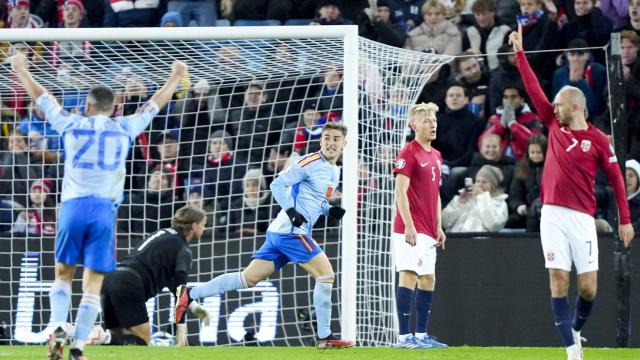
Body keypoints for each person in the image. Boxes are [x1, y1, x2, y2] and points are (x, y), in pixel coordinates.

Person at [10, 52, 187, 360]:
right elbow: (155, 104)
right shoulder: (125, 126)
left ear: (88, 106)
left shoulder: (71, 122)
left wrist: (21, 69)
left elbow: (41, 96)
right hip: (104, 211)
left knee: (63, 274)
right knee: (93, 284)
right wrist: (175, 76)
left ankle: (56, 328)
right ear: (115, 107)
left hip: (73, 207)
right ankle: (78, 347)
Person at [510, 25, 634, 360]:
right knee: (559, 281)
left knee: (589, 288)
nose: (553, 105)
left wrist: (624, 219)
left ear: (575, 107)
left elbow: (617, 179)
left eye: (560, 103)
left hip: (583, 218)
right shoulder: (552, 123)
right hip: (551, 213)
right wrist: (521, 54)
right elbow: (534, 89)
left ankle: (577, 329)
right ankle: (571, 351)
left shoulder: (598, 140)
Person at [173, 123, 354, 349]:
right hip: (291, 231)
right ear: (320, 140)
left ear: (344, 144)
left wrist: (329, 209)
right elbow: (277, 183)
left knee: (247, 279)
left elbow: (314, 198)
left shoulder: (334, 170)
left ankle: (190, 294)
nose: (330, 142)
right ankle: (325, 336)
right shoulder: (309, 162)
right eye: (327, 137)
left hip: (282, 232)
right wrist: (291, 211)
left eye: (336, 139)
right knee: (326, 275)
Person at [88, 206, 210, 346]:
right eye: (203, 224)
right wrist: (181, 331)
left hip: (111, 279)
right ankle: (103, 337)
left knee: (119, 338)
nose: (204, 228)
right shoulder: (184, 250)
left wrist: (193, 306)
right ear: (194, 225)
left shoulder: (163, 233)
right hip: (129, 284)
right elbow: (180, 293)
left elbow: (173, 284)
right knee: (143, 342)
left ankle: (102, 337)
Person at [392, 102, 447, 349]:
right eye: (426, 121)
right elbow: (400, 192)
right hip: (409, 228)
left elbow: (435, 193)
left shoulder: (436, 155)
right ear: (413, 125)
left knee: (428, 279)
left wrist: (439, 225)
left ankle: (422, 335)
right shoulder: (408, 153)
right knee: (409, 274)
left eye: (433, 120)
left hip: (428, 228)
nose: (432, 124)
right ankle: (404, 338)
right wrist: (409, 226)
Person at [442, 164, 509, 232]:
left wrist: (482, 196)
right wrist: (459, 203)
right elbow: (444, 222)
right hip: (457, 239)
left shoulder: (500, 203)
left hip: (481, 241)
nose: (479, 185)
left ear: (493, 186)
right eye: (477, 181)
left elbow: (493, 225)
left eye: (484, 182)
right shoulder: (464, 197)